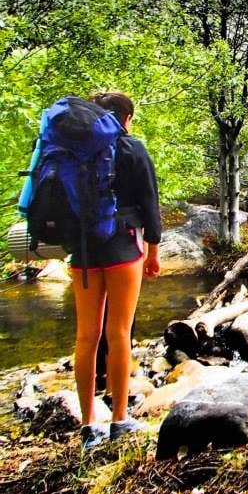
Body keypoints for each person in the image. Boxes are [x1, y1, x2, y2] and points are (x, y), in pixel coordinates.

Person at [72, 91, 162, 447]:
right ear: (127, 117)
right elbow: (150, 203)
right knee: (119, 332)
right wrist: (153, 251)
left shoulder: (76, 152)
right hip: (123, 244)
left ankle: (87, 425)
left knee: (85, 336)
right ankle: (120, 420)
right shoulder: (132, 148)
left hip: (82, 249)